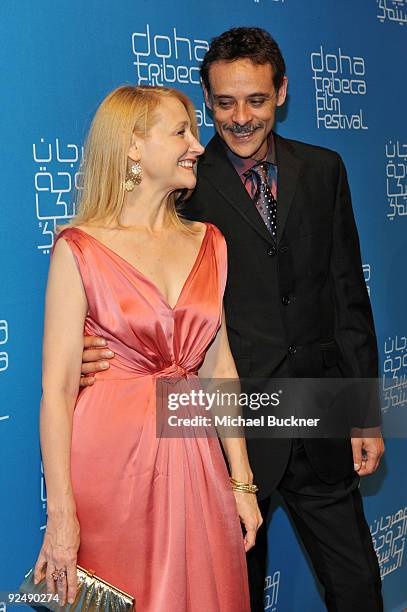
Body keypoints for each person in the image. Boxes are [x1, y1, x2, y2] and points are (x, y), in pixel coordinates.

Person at [81, 29, 385, 611]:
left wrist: (364, 412)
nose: (241, 118)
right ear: (206, 100)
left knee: (358, 589)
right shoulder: (183, 184)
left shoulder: (324, 169)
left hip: (320, 417)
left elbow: (349, 297)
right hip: (227, 435)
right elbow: (118, 264)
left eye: (256, 101)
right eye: (224, 103)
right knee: (232, 595)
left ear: (283, 94)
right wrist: (93, 344)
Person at [33, 84, 262, 612]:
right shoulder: (80, 246)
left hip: (196, 455)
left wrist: (243, 483)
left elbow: (219, 365)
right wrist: (62, 512)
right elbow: (58, 387)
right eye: (181, 131)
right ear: (133, 146)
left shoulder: (210, 242)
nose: (198, 146)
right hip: (112, 465)